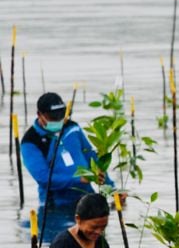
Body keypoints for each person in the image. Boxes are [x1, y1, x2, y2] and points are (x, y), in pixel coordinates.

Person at [21, 92, 113, 224]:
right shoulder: (31, 141)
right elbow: (43, 178)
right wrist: (78, 179)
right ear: (39, 115)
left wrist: (111, 187)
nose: (58, 120)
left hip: (86, 198)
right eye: (52, 117)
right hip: (56, 206)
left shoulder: (72, 128)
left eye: (60, 115)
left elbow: (90, 155)